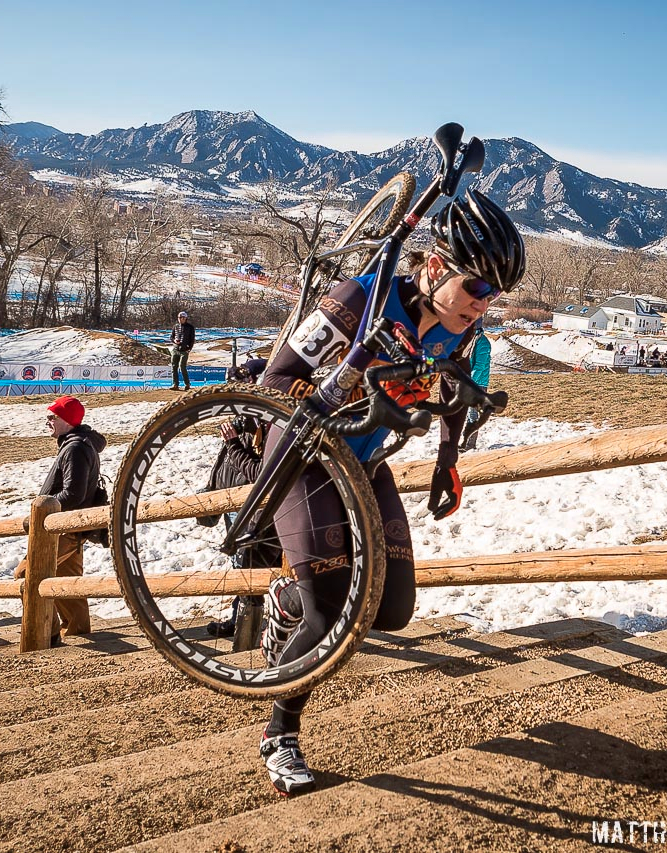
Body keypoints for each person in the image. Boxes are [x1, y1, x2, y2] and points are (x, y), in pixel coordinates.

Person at [256, 189, 526, 794]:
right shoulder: (361, 298)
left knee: (394, 607)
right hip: (306, 456)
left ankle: (288, 602)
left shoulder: (458, 328)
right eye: (476, 288)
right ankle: (280, 734)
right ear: (434, 267)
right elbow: (278, 377)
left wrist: (448, 461)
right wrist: (342, 391)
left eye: (494, 296)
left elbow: (454, 390)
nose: (482, 306)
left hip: (367, 459)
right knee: (331, 607)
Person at [14, 396, 106, 645]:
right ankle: (78, 630)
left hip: (62, 528)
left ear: (67, 420)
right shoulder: (78, 444)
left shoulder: (75, 448)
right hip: (72, 526)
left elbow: (73, 493)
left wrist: (42, 513)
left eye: (53, 417)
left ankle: (48, 633)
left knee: (27, 575)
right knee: (68, 583)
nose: (48, 421)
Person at [199, 358, 276, 638]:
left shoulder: (265, 421)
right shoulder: (244, 418)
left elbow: (257, 470)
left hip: (250, 501)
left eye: (243, 383)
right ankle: (240, 619)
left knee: (247, 563)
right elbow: (224, 462)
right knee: (240, 562)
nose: (238, 390)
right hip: (232, 499)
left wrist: (232, 443)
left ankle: (244, 624)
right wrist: (210, 493)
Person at [460, 320, 492, 451]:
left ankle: (469, 445)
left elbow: (479, 366)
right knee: (467, 413)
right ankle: (465, 442)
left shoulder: (482, 342)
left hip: (477, 384)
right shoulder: (471, 340)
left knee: (472, 415)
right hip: (470, 381)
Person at [170, 311, 196, 390]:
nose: (180, 319)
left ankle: (187, 384)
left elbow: (192, 339)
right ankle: (175, 384)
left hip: (185, 350)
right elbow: (171, 337)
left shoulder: (190, 327)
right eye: (179, 318)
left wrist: (189, 349)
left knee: (182, 366)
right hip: (176, 349)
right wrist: (174, 341)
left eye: (182, 318)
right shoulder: (176, 326)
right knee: (174, 366)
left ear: (185, 318)